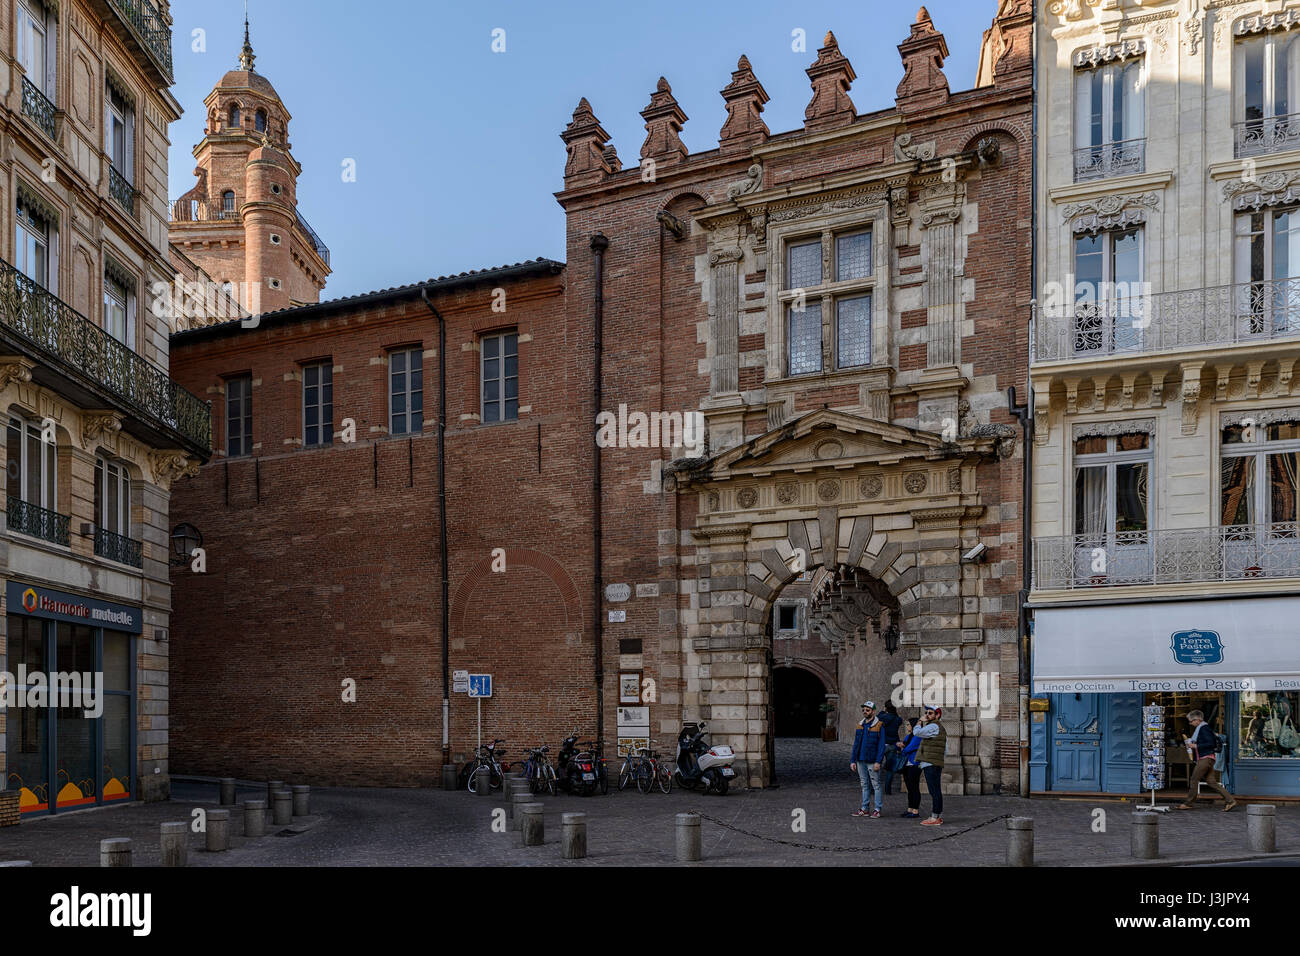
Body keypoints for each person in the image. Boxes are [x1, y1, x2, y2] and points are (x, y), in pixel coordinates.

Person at [1177, 709, 1236, 811]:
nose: (1190, 724)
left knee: (1194, 780)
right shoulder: (1203, 728)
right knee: (1211, 782)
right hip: (1209, 758)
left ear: (1197, 720)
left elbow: (1210, 743)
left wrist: (1195, 745)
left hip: (1205, 758)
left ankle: (1188, 803)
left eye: (1191, 721)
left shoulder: (1204, 728)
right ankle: (1230, 801)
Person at [849, 700, 887, 818]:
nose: (865, 712)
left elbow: (881, 745)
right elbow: (856, 744)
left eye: (868, 710)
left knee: (876, 785)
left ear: (873, 711)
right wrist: (852, 760)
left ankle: (877, 809)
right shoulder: (860, 725)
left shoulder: (879, 725)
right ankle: (864, 808)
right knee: (864, 784)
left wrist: (878, 761)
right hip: (861, 759)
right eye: (864, 710)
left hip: (872, 760)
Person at [911, 705, 947, 826]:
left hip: (931, 763)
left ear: (938, 715)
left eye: (930, 713)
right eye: (926, 712)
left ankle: (935, 817)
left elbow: (917, 732)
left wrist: (920, 721)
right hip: (934, 762)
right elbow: (945, 749)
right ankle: (937, 815)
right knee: (935, 790)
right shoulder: (938, 727)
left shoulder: (933, 726)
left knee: (934, 790)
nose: (927, 715)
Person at [898, 716, 923, 819]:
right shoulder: (908, 736)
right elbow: (903, 745)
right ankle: (910, 808)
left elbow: (909, 748)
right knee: (909, 787)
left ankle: (915, 810)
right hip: (906, 765)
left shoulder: (918, 736)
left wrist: (902, 747)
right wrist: (899, 745)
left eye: (908, 724)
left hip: (914, 764)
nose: (907, 726)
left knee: (914, 787)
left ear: (913, 725)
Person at [878, 700, 903, 795]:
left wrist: (883, 711)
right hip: (892, 745)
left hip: (881, 745)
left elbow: (878, 717)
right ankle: (888, 789)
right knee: (890, 768)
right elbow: (898, 720)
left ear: (886, 708)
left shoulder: (880, 717)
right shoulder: (898, 719)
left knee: (876, 766)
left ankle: (874, 788)